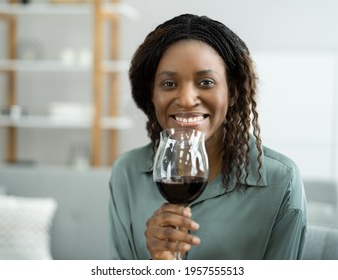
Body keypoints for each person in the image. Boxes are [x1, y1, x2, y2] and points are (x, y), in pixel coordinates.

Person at [108, 13, 307, 260]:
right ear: (152, 94)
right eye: (169, 84)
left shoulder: (282, 180)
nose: (187, 99)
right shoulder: (126, 173)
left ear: (232, 92)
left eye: (205, 82)